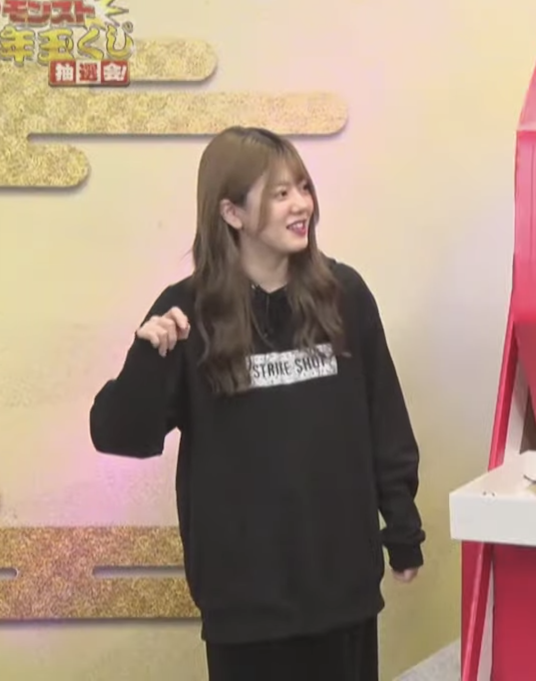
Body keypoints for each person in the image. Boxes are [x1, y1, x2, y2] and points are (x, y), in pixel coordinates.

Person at [89, 126, 425, 681]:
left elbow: (384, 421)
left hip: (341, 591)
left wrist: (403, 531)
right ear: (232, 213)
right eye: (280, 193)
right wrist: (148, 359)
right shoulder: (187, 311)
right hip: (243, 605)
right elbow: (118, 434)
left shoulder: (345, 295)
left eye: (303, 188)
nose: (302, 205)